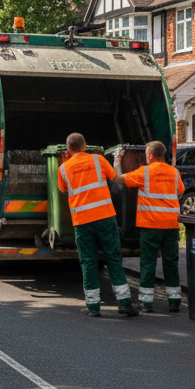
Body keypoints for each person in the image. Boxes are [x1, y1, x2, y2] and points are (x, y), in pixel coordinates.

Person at [57, 133, 139, 317]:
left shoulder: (63, 168)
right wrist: (117, 161)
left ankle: (93, 306)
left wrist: (66, 163)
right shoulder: (99, 160)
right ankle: (125, 303)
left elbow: (62, 189)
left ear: (68, 150)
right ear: (85, 146)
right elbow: (115, 178)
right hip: (105, 218)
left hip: (82, 221)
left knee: (88, 262)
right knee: (114, 259)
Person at [123, 140, 184, 312]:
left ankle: (146, 302)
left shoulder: (145, 172)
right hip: (171, 225)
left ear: (149, 156)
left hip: (151, 225)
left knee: (148, 263)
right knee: (171, 262)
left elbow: (122, 181)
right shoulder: (174, 172)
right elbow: (180, 190)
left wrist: (117, 162)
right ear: (162, 154)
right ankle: (174, 300)